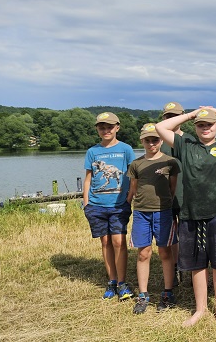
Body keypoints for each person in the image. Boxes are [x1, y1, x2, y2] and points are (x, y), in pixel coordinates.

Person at [155, 106, 216, 327]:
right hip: (192, 213)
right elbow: (160, 127)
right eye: (201, 125)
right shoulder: (185, 144)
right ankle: (200, 309)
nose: (205, 128)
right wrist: (190, 115)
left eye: (209, 124)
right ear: (195, 127)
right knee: (198, 264)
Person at [126, 123, 181, 314]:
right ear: (141, 141)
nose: (151, 144)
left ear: (161, 140)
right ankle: (143, 295)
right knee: (143, 253)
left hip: (163, 212)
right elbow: (133, 188)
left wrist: (166, 203)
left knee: (165, 252)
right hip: (141, 212)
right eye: (147, 140)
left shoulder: (170, 162)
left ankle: (168, 292)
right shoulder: (136, 164)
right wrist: (128, 204)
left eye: (155, 140)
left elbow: (172, 188)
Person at [82, 112, 136, 301]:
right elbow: (88, 178)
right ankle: (112, 281)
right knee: (105, 242)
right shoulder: (92, 152)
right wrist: (86, 202)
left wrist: (129, 198)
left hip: (119, 205)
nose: (106, 130)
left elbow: (133, 176)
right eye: (102, 127)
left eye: (109, 127)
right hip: (96, 205)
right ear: (97, 129)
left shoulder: (126, 149)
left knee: (119, 242)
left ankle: (122, 282)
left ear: (117, 128)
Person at [159, 101, 193, 286]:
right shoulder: (159, 140)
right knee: (170, 236)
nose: (171, 119)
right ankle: (173, 268)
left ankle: (187, 267)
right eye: (168, 116)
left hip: (186, 194)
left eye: (175, 116)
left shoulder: (189, 139)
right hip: (164, 197)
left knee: (188, 234)